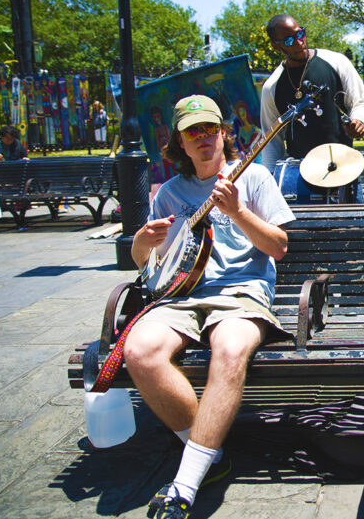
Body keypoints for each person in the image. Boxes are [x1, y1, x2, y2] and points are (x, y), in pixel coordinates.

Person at [124, 95, 294, 519]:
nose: (203, 138)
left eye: (210, 128)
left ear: (224, 133)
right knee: (139, 352)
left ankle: (185, 482)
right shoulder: (170, 193)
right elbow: (153, 266)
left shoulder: (253, 178)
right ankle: (210, 457)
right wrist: (142, 244)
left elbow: (279, 247)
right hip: (183, 296)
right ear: (179, 142)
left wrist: (236, 211)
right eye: (192, 131)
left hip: (242, 293)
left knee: (231, 349)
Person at [259, 14, 364, 202]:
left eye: (300, 33)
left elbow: (361, 102)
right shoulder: (272, 87)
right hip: (300, 176)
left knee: (354, 229)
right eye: (289, 40)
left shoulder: (336, 62)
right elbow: (271, 139)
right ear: (276, 46)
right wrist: (269, 182)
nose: (299, 42)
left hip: (344, 168)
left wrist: (360, 121)